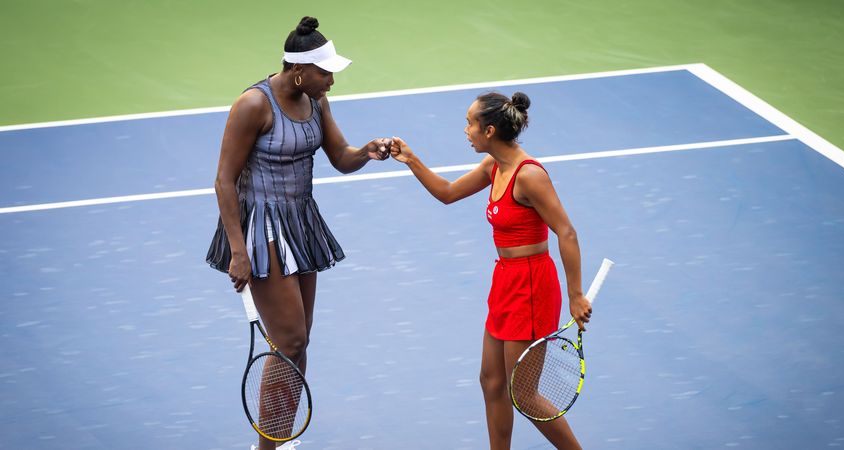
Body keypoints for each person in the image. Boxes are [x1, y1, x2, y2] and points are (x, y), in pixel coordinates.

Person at [205, 16, 390, 450]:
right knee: (289, 338)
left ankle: (279, 436)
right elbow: (223, 181)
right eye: (326, 74)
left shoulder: (317, 102)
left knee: (299, 341)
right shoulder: (253, 105)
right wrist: (237, 251)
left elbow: (341, 157)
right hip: (260, 228)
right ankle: (267, 446)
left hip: (301, 223)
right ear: (298, 71)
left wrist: (366, 152)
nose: (331, 82)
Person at [389, 91, 593, 450]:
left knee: (524, 394)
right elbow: (448, 193)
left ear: (490, 131)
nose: (466, 130)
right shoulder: (493, 167)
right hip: (506, 280)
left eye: (470, 123)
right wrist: (411, 159)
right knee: (491, 381)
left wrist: (576, 295)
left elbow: (567, 231)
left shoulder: (529, 175)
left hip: (531, 285)